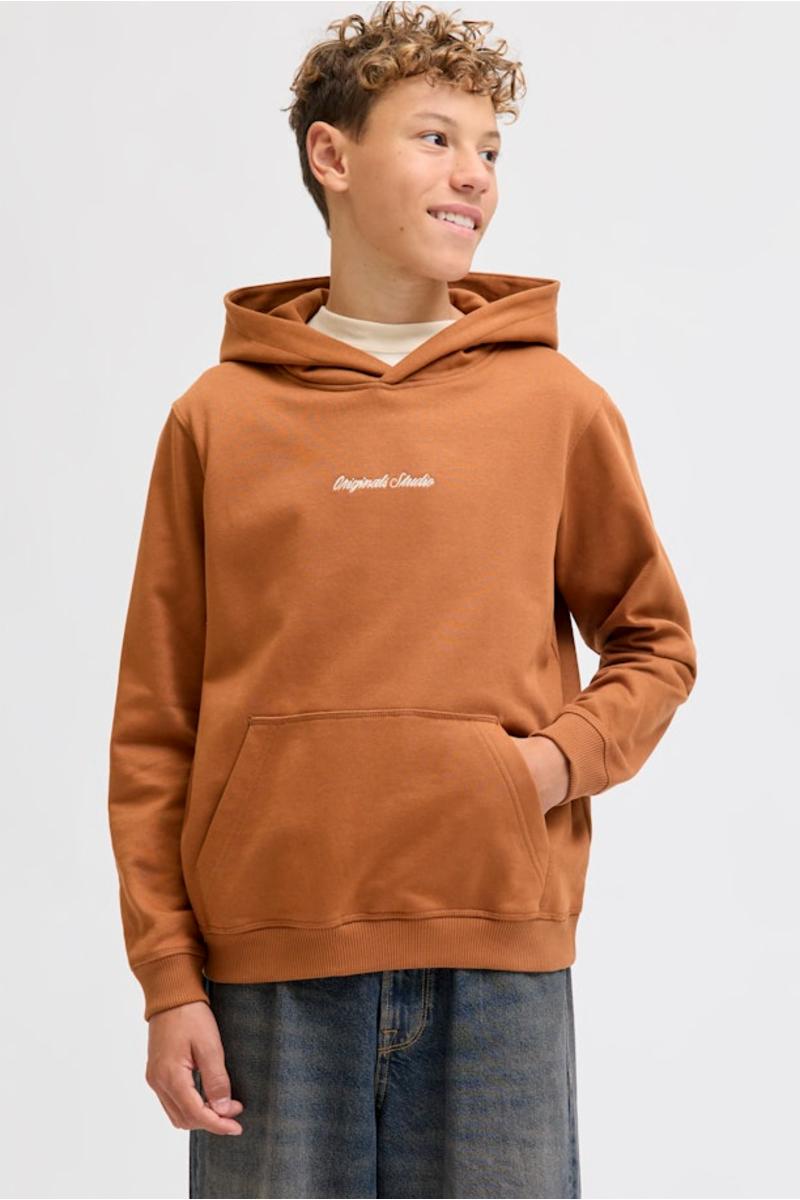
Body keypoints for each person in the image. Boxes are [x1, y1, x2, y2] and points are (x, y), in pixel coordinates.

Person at [107, 3, 698, 1196]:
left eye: (489, 149)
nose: (473, 174)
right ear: (331, 156)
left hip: (496, 957)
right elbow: (155, 724)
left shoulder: (553, 406)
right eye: (435, 138)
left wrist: (546, 769)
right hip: (265, 974)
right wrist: (168, 979)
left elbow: (655, 644)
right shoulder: (216, 420)